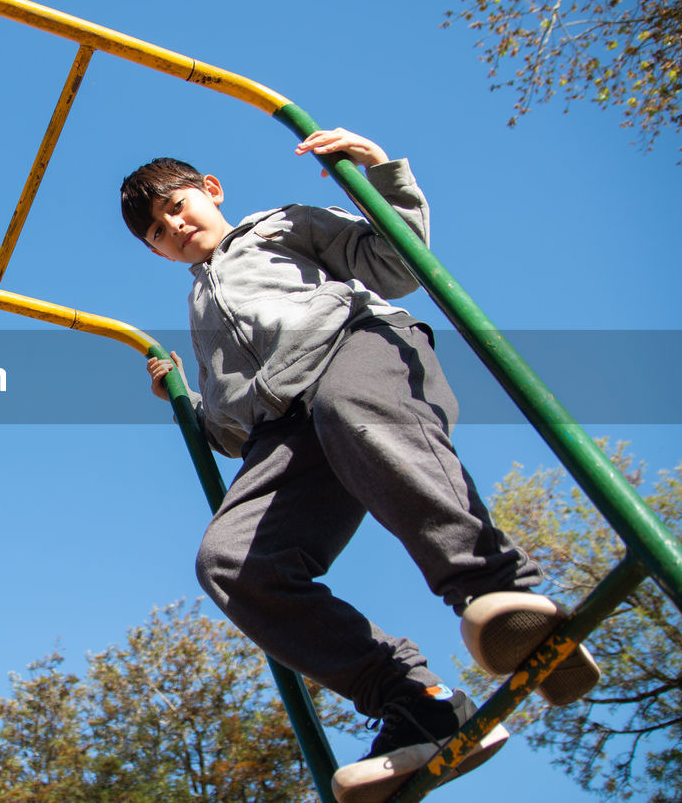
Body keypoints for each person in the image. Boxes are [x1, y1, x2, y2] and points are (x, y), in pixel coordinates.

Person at [121, 128, 600, 801]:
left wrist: (382, 175)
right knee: (231, 562)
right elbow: (231, 430)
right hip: (285, 425)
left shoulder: (278, 225)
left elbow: (394, 262)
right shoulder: (199, 307)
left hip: (355, 351)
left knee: (350, 411)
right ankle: (419, 701)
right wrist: (187, 400)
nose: (173, 227)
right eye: (157, 233)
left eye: (175, 207)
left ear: (211, 190)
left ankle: (496, 588)